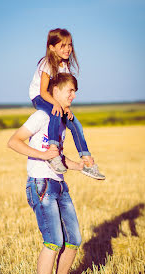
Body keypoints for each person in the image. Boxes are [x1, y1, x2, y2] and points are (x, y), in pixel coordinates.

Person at [8, 73, 92, 274]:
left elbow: (59, 157)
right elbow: (14, 141)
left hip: (61, 185)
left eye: (75, 92)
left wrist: (81, 167)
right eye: (70, 91)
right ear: (54, 92)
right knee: (53, 241)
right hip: (41, 184)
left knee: (73, 240)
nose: (73, 96)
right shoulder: (41, 116)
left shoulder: (63, 121)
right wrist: (43, 155)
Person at [29, 28, 105, 180]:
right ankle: (53, 152)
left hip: (55, 99)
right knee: (55, 113)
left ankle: (87, 160)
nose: (67, 49)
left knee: (74, 123)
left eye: (69, 45)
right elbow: (43, 92)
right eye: (62, 45)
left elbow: (64, 90)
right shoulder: (47, 63)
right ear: (51, 47)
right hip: (39, 96)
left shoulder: (65, 65)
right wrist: (58, 105)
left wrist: (67, 108)